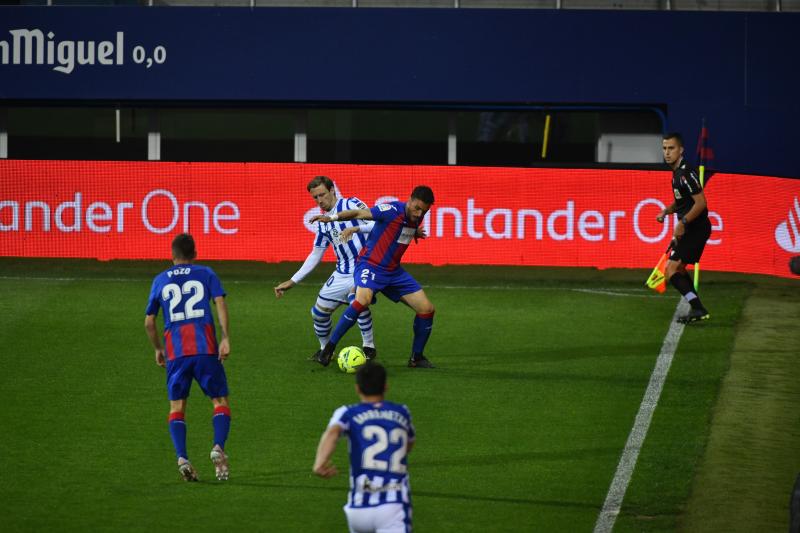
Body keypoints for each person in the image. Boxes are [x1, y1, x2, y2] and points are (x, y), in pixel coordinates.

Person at [310, 185, 436, 369]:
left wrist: (415, 232)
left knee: (427, 309)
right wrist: (332, 217)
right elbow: (358, 214)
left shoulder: (417, 216)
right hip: (370, 265)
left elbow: (402, 230)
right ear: (410, 199)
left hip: (394, 272)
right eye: (417, 208)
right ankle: (328, 348)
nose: (419, 213)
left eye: (424, 211)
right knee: (363, 300)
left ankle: (416, 358)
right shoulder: (391, 210)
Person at [144, 233, 232, 482]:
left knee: (177, 407)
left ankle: (182, 457)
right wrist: (225, 337)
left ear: (172, 255)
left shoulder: (160, 280)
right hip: (205, 348)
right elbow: (220, 303)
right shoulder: (206, 273)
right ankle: (218, 447)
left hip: (176, 353)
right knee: (219, 401)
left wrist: (158, 348)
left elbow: (149, 322)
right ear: (195, 254)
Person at [274, 176, 377, 361]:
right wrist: (293, 280)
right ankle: (324, 350)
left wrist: (356, 229)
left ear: (332, 190)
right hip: (341, 272)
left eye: (322, 194)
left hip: (364, 267)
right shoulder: (322, 221)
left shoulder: (351, 203)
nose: (320, 200)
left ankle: (369, 347)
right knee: (318, 313)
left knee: (358, 302)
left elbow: (375, 222)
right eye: (315, 197)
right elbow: (316, 253)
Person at [313, 362, 415, 532]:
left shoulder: (347, 413)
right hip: (393, 505)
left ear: (357, 389)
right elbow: (409, 444)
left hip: (358, 507)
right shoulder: (402, 413)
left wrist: (319, 462)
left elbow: (333, 433)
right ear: (386, 386)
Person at [656, 132, 712, 323]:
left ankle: (697, 308)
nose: (667, 152)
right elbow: (682, 201)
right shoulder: (677, 174)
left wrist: (683, 223)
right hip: (691, 229)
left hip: (696, 229)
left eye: (671, 148)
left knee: (671, 270)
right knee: (678, 269)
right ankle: (698, 308)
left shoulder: (686, 173)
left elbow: (701, 203)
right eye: (664, 148)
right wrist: (666, 211)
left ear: (681, 150)